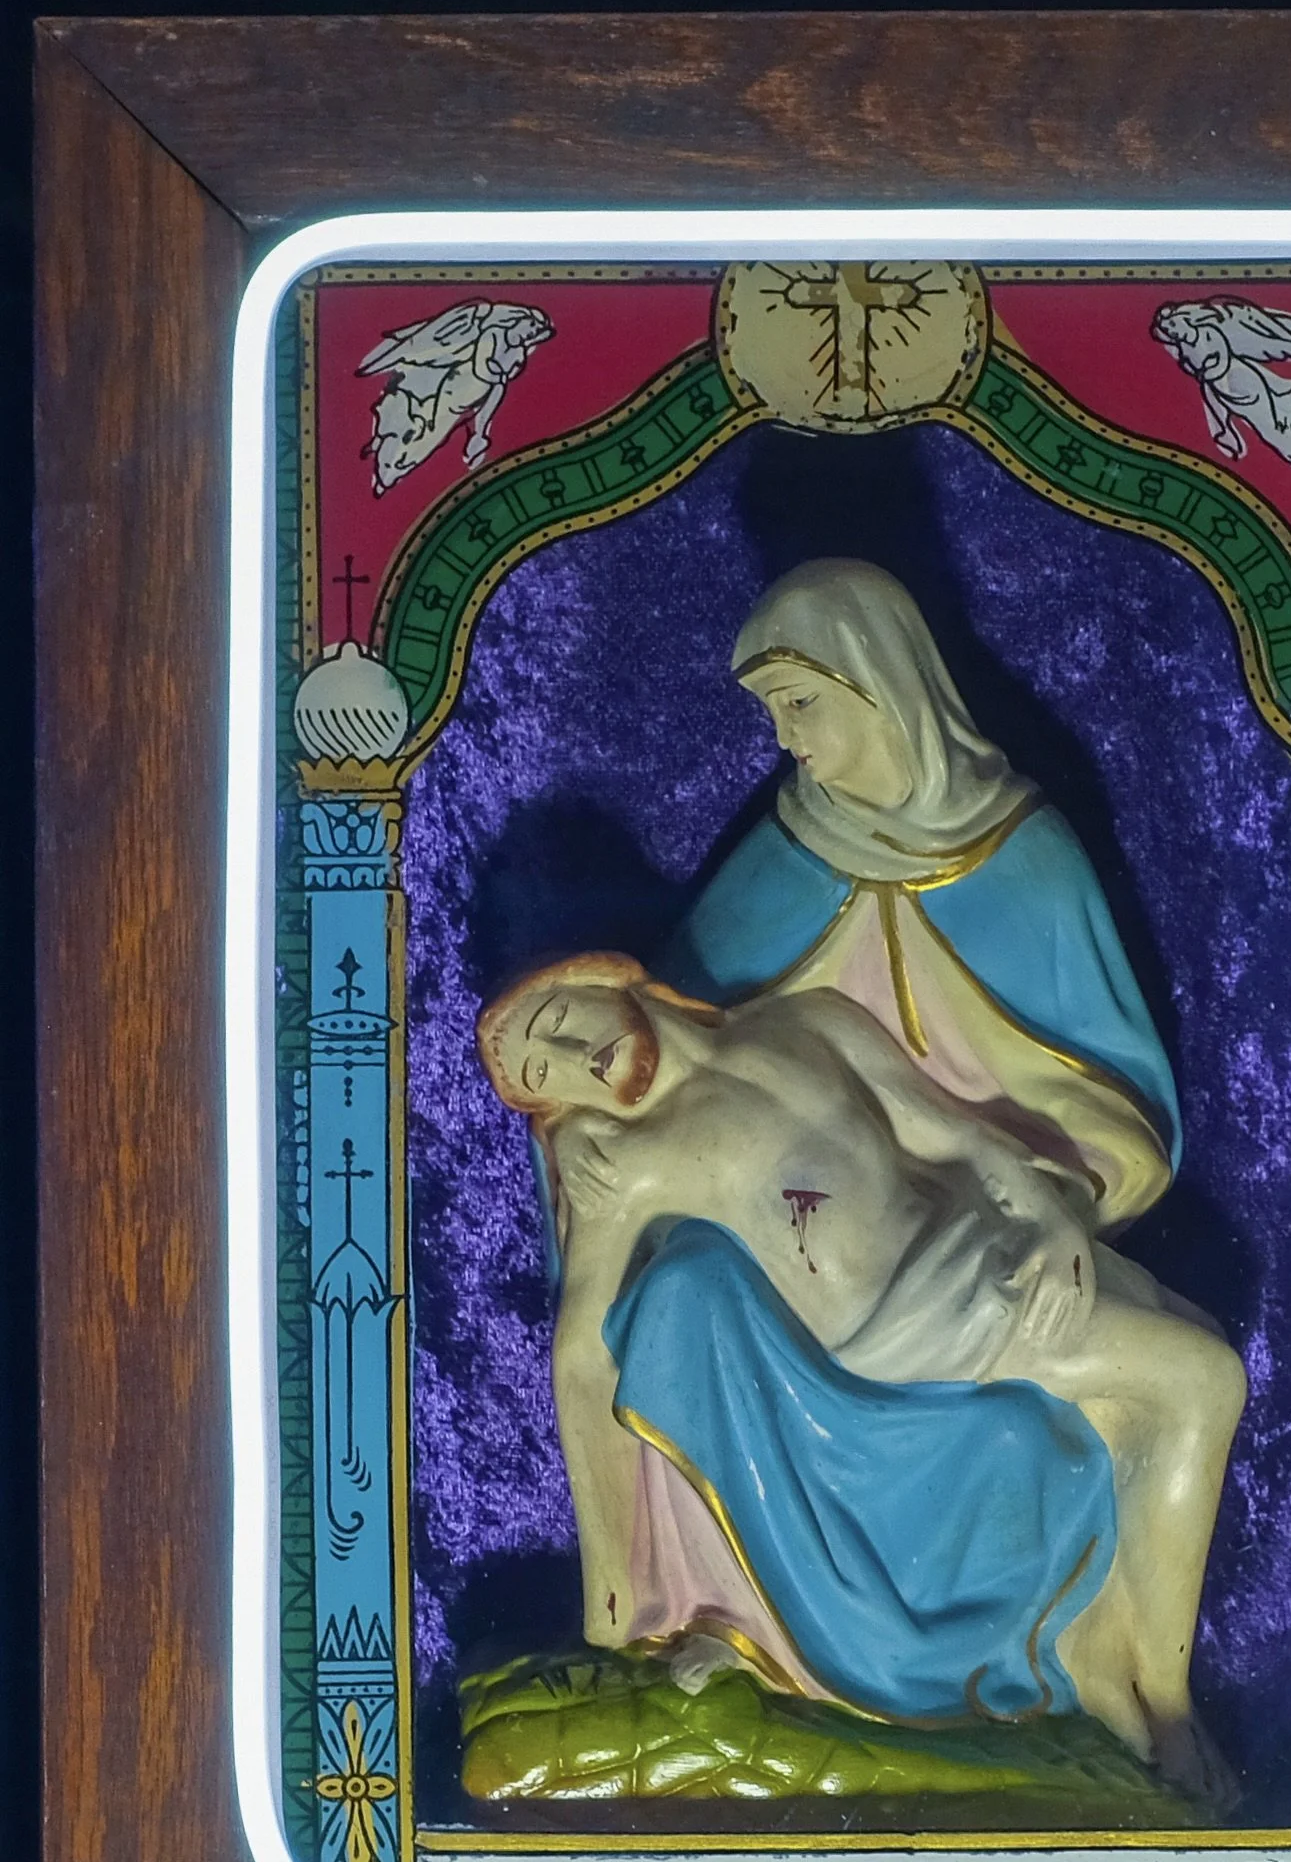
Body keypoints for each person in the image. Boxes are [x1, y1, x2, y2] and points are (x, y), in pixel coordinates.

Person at [477, 953, 1246, 1780]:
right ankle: (1166, 1708)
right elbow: (584, 1356)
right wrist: (610, 1598)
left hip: (985, 1252)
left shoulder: (807, 1023)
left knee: (1188, 1347)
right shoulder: (627, 1164)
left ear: (609, 981)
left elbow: (955, 1135)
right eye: (544, 1077)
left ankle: (1123, 1671)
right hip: (925, 1333)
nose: (572, 1061)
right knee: (1203, 1380)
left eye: (558, 1024)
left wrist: (1052, 1220)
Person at [659, 558, 1182, 1232]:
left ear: (881, 682)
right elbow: (681, 1021)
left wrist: (1059, 1168)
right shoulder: (784, 852)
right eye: (771, 711)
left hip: (1007, 1162)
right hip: (828, 1164)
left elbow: (1106, 1079)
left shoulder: (1025, 850)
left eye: (799, 701)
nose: (784, 737)